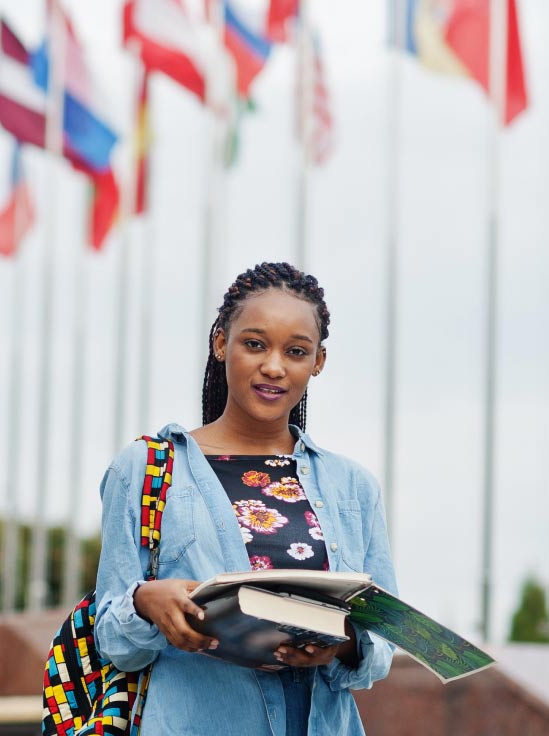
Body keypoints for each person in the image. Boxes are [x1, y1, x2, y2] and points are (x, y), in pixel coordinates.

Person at [93, 262, 396, 735]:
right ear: (220, 343)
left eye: (296, 351)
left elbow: (379, 647)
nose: (273, 366)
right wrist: (146, 602)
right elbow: (112, 638)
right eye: (254, 344)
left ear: (317, 361)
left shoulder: (352, 486)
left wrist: (343, 644)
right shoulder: (147, 469)